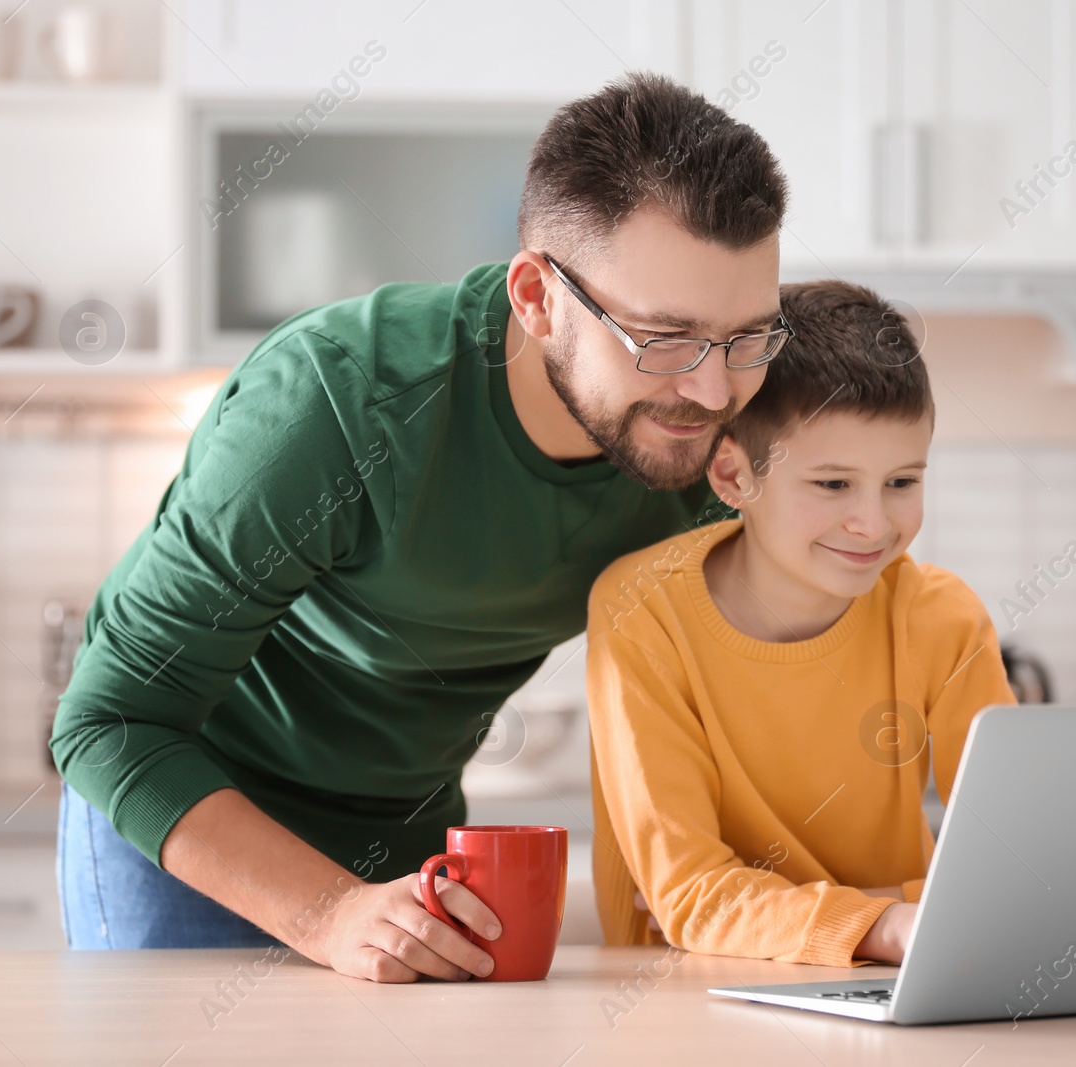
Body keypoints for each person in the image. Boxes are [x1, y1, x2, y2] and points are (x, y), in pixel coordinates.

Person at [49, 72, 791, 983]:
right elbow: (109, 721)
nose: (714, 391)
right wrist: (324, 911)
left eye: (747, 337)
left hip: (408, 836)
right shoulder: (336, 404)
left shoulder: (708, 438)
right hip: (192, 814)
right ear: (535, 298)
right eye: (664, 340)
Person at [586, 280, 1015, 966]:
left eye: (902, 481)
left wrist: (826, 913)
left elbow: (1010, 873)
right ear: (731, 476)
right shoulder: (640, 609)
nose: (874, 524)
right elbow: (693, 898)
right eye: (833, 484)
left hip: (897, 977)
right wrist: (893, 916)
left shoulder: (942, 616)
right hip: (682, 996)